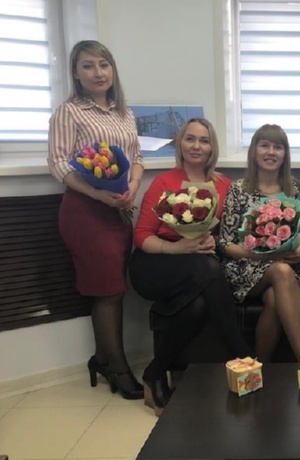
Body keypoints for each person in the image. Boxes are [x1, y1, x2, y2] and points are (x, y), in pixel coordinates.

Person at [128, 118, 252, 416]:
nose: (197, 146)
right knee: (208, 269)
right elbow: (142, 235)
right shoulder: (164, 182)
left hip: (197, 266)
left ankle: (155, 372)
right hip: (154, 263)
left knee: (199, 304)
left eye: (204, 141)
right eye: (190, 139)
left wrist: (214, 242)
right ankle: (244, 357)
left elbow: (229, 234)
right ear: (181, 144)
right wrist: (177, 247)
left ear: (212, 148)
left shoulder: (224, 186)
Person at [47, 40, 144, 400]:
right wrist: (98, 194)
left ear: (112, 69)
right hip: (85, 211)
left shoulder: (124, 113)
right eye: (87, 66)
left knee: (113, 288)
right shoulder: (68, 112)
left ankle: (102, 359)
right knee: (108, 291)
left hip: (118, 209)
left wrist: (132, 185)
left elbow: (136, 158)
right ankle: (118, 368)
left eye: (103, 64)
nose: (98, 73)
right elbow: (58, 163)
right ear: (76, 73)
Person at [219, 124, 300, 361]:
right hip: (246, 265)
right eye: (264, 145)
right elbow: (225, 244)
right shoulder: (238, 189)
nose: (271, 152)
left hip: (286, 264)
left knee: (274, 299)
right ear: (254, 151)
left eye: (278, 147)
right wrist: (261, 256)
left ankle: (258, 368)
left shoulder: (293, 187)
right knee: (281, 271)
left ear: (285, 154)